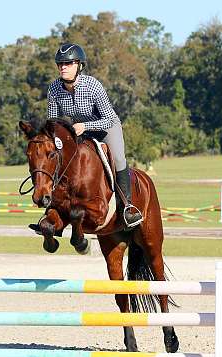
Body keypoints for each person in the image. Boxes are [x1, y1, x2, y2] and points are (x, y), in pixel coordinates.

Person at [47, 43, 143, 228]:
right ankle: (54, 209)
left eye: (68, 63)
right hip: (79, 131)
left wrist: (84, 125)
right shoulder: (54, 89)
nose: (63, 67)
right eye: (60, 64)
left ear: (79, 65)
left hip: (106, 128)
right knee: (60, 159)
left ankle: (127, 208)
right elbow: (53, 122)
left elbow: (108, 118)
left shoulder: (93, 86)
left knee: (118, 159)